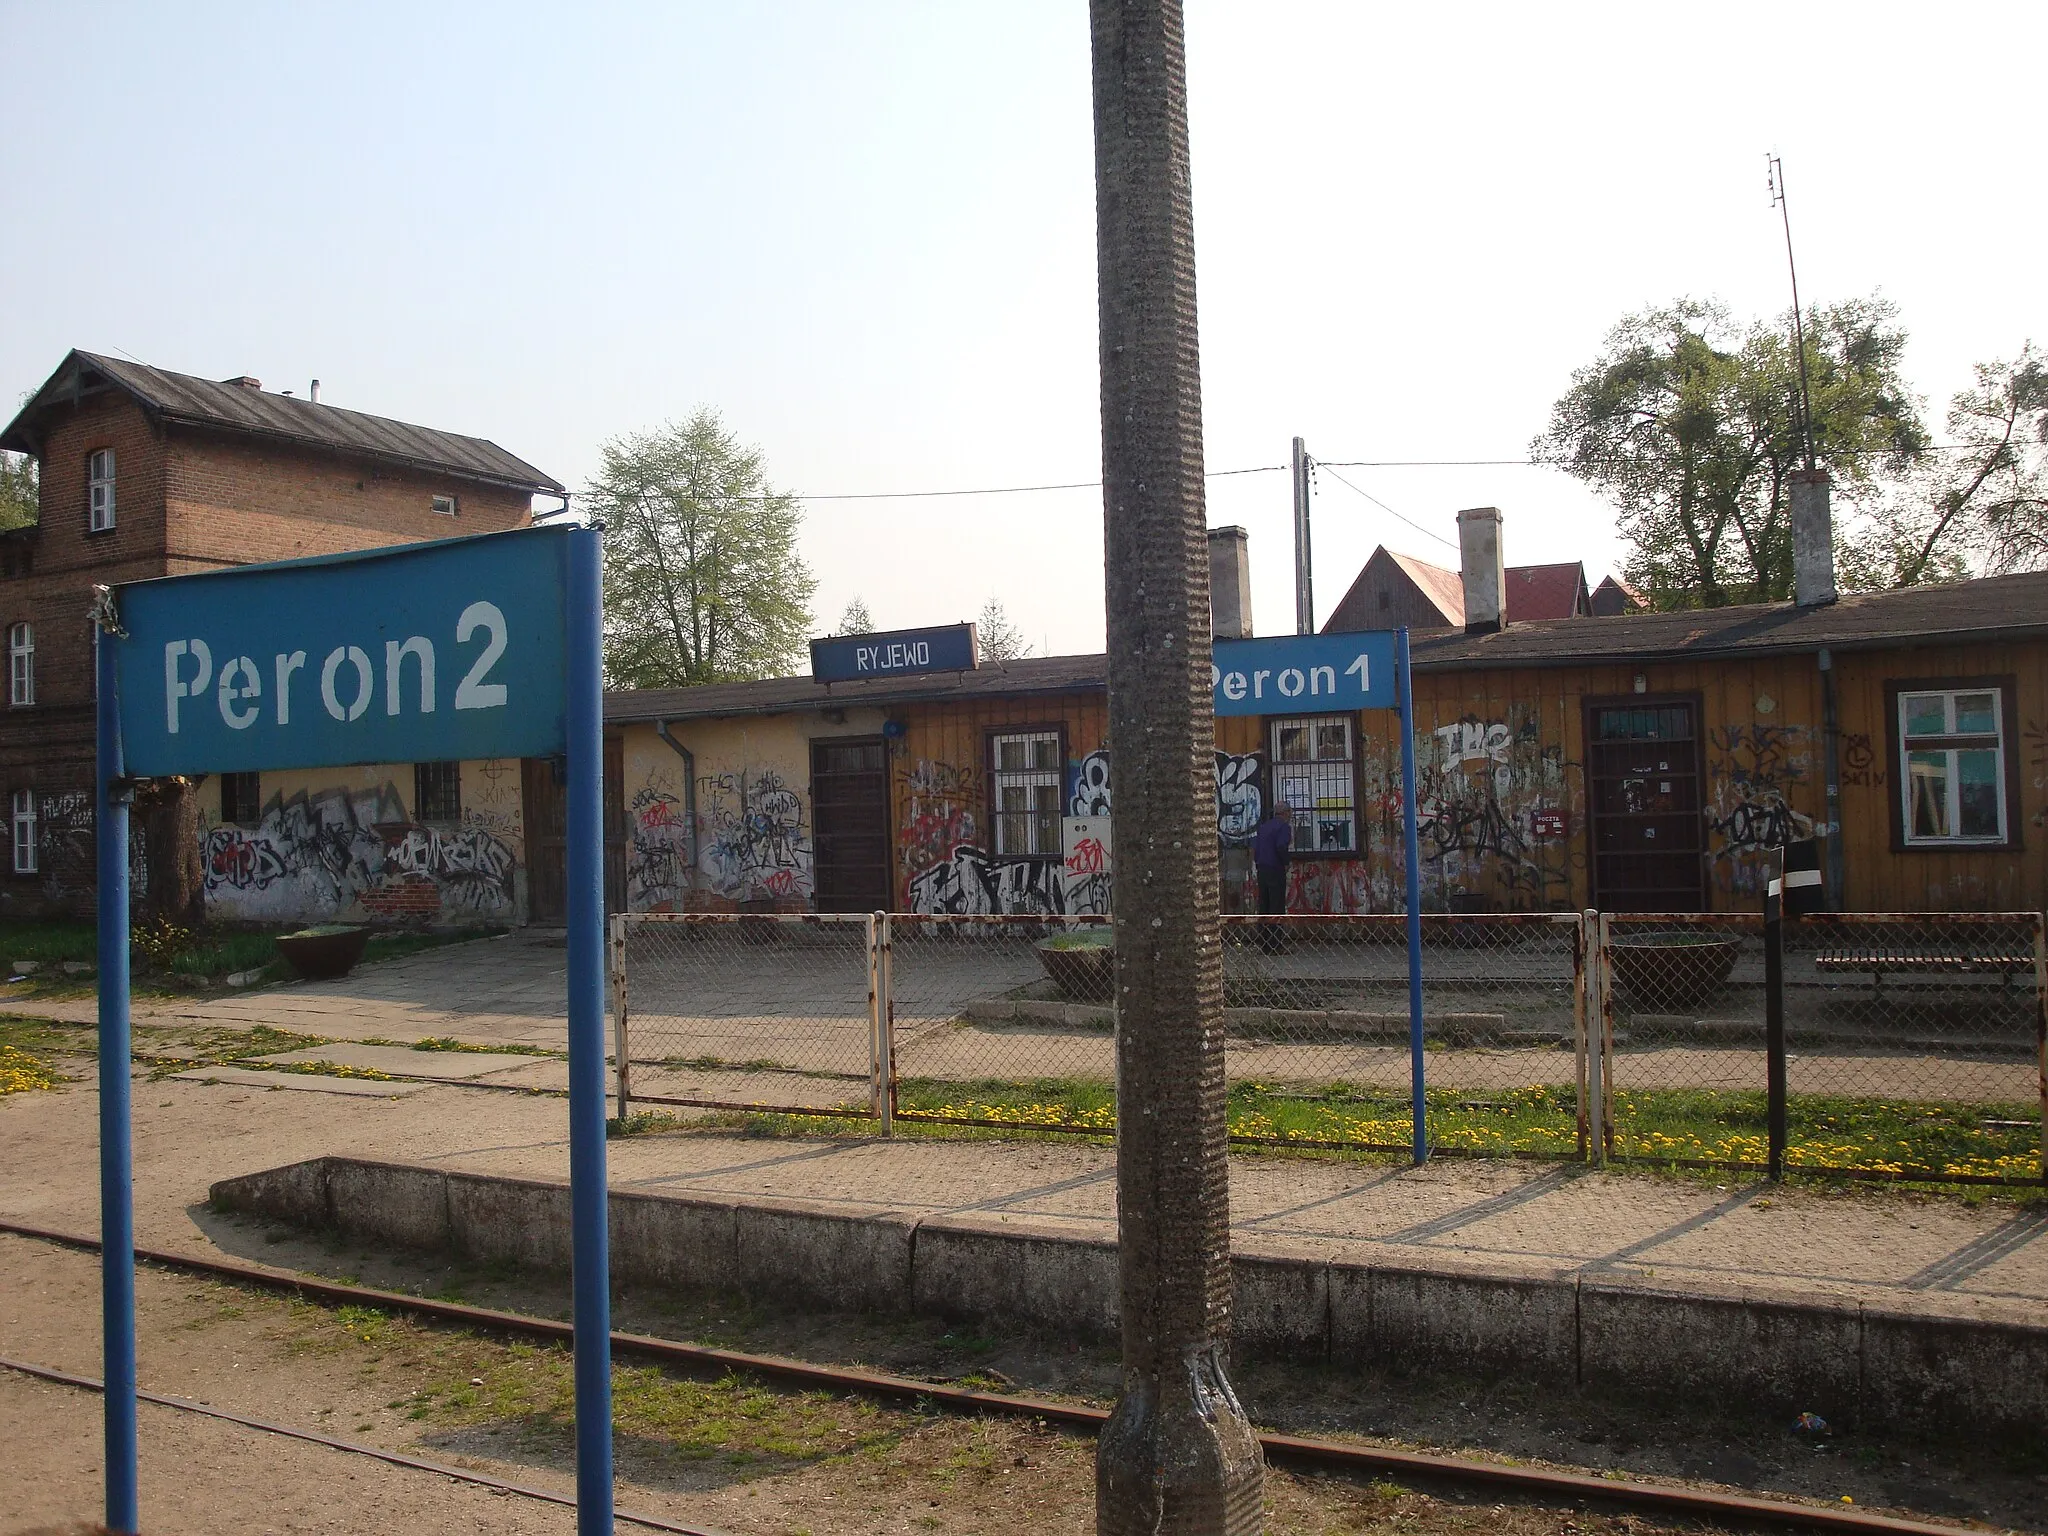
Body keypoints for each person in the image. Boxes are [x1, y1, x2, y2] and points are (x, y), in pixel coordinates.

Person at [1252, 800, 1293, 948]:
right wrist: (1286, 862)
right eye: (1290, 812)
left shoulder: (1263, 827)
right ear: (1286, 813)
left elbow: (1256, 849)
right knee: (1276, 906)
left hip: (1262, 869)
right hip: (1275, 869)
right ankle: (1276, 944)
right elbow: (1281, 845)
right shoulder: (1284, 827)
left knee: (1264, 905)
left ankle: (1264, 943)